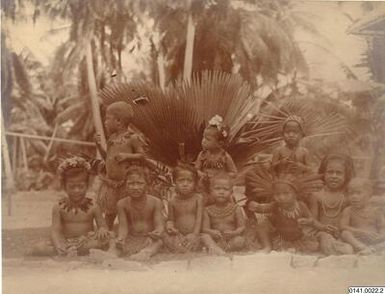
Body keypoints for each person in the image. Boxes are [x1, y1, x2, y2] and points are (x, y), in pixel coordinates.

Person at [29, 156, 110, 256]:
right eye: (72, 187)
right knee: (38, 248)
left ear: (87, 185)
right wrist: (58, 244)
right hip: (65, 241)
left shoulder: (94, 206)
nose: (76, 190)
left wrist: (102, 229)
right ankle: (68, 251)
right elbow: (55, 230)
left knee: (104, 242)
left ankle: (75, 251)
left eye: (81, 186)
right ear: (64, 186)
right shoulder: (58, 207)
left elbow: (103, 226)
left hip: (86, 242)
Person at [95, 101, 146, 230]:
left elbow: (142, 156)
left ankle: (130, 234)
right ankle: (107, 233)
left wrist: (127, 156)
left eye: (107, 118)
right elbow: (107, 157)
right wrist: (99, 146)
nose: (105, 122)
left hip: (126, 184)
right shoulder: (111, 138)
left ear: (118, 121)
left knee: (128, 212)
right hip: (111, 184)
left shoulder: (132, 138)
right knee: (109, 212)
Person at [248, 177, 321, 253]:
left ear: (295, 194)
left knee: (313, 247)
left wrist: (308, 221)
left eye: (286, 193)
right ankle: (267, 246)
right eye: (277, 194)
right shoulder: (275, 205)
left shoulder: (301, 206)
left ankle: (296, 247)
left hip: (298, 238)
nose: (281, 197)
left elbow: (312, 220)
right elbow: (263, 208)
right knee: (262, 223)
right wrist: (256, 206)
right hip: (283, 239)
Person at [115, 166, 164, 261]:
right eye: (131, 184)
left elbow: (159, 225)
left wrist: (157, 232)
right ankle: (112, 254)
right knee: (114, 242)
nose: (135, 187)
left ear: (147, 185)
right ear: (125, 185)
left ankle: (144, 253)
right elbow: (123, 227)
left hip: (148, 238)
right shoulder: (122, 204)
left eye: (140, 183)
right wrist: (121, 238)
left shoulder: (155, 202)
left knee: (158, 243)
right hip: (131, 237)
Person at [309, 154, 354, 255]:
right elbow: (313, 220)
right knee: (324, 238)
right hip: (322, 232)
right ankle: (338, 249)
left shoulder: (348, 196)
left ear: (346, 176)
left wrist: (342, 230)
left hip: (342, 232)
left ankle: (342, 247)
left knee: (348, 236)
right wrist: (323, 227)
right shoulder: (316, 195)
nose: (334, 176)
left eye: (339, 173)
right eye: (330, 172)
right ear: (323, 174)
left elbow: (352, 218)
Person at [195, 115, 237, 203]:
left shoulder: (224, 156)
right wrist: (201, 174)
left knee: (229, 201)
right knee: (200, 200)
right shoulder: (202, 155)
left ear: (220, 144)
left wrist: (221, 176)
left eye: (207, 139)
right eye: (203, 137)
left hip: (219, 187)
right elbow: (196, 169)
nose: (203, 141)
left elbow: (234, 173)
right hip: (204, 186)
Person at [201, 173, 246, 255]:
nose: (221, 192)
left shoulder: (236, 208)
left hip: (231, 240)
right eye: (217, 189)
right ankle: (215, 248)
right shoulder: (207, 210)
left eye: (225, 189)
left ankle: (219, 249)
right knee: (204, 236)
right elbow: (204, 229)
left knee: (239, 240)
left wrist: (234, 233)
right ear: (211, 191)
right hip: (215, 240)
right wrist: (212, 232)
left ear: (231, 192)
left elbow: (242, 227)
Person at [163, 163, 204, 253]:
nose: (185, 184)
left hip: (195, 234)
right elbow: (171, 219)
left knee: (205, 237)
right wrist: (170, 226)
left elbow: (199, 219)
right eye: (181, 180)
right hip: (179, 235)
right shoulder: (172, 201)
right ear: (174, 182)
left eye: (189, 181)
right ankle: (183, 247)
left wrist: (195, 234)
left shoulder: (198, 199)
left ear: (195, 183)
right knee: (165, 236)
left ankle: (187, 247)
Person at [340, 178, 385, 255]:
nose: (354, 196)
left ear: (369, 195)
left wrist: (381, 236)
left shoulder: (376, 211)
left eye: (358, 193)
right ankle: (361, 247)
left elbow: (382, 227)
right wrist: (360, 232)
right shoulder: (348, 210)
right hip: (357, 238)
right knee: (345, 233)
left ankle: (373, 249)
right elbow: (343, 226)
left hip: (373, 238)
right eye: (351, 193)